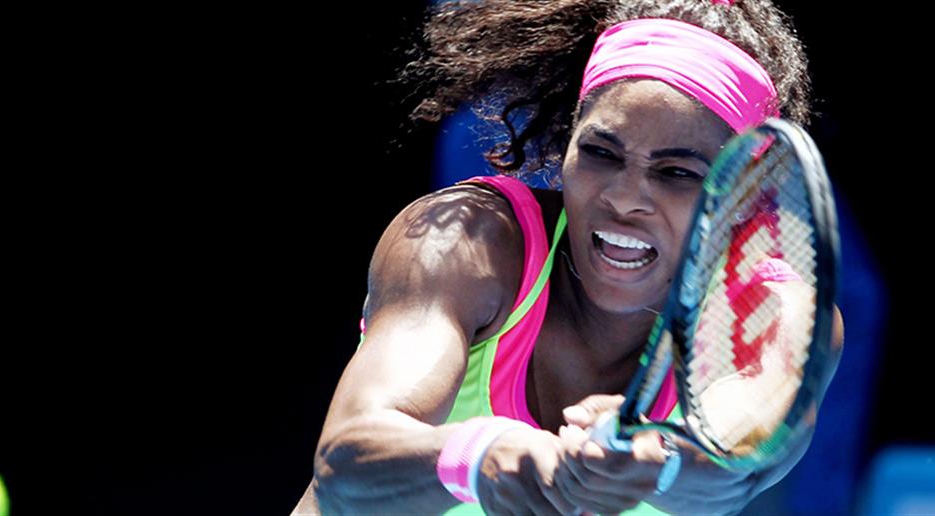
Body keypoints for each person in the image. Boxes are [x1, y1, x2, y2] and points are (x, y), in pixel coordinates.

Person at [294, 0, 845, 514]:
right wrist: (483, 455)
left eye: (677, 172)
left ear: (744, 194)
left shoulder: (776, 313)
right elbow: (347, 460)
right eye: (602, 153)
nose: (624, 199)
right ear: (567, 145)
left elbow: (736, 473)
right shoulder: (464, 240)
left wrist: (659, 460)